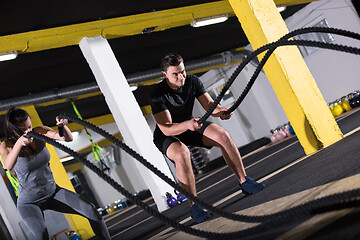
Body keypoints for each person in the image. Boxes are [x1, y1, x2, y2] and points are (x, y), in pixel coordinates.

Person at [150, 53, 265, 223]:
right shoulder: (157, 94)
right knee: (182, 154)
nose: (181, 77)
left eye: (182, 71)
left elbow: (210, 105)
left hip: (191, 125)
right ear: (164, 74)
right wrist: (187, 125)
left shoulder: (192, 81)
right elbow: (166, 128)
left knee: (223, 136)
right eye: (175, 74)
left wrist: (221, 112)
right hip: (168, 133)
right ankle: (194, 205)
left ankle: (244, 181)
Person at [0, 107, 111, 240]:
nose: (29, 131)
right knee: (41, 234)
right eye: (24, 129)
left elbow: (66, 138)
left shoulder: (38, 131)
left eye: (29, 126)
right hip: (29, 202)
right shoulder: (7, 145)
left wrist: (63, 127)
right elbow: (7, 165)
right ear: (14, 130)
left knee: (92, 212)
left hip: (53, 192)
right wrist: (19, 144)